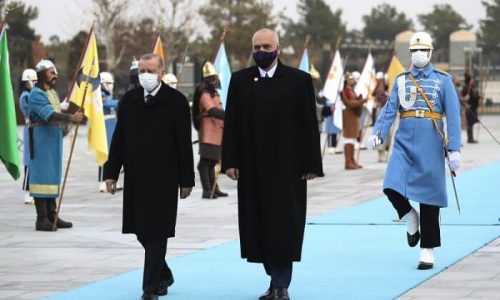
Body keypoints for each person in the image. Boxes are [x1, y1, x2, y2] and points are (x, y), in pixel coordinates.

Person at [221, 28, 323, 300]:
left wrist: (311, 163)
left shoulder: (298, 80)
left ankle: (281, 284)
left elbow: (309, 125)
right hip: (252, 167)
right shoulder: (241, 80)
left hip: (288, 167)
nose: (261, 51)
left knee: (284, 226)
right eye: (256, 47)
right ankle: (273, 279)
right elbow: (231, 125)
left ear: (278, 48)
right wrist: (230, 160)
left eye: (266, 46)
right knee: (259, 226)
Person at [366, 32, 461, 270]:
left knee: (429, 198)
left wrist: (454, 149)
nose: (418, 54)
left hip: (431, 142)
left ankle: (427, 248)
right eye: (414, 51)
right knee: (391, 184)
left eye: (423, 50)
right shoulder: (401, 79)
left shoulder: (443, 80)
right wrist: (378, 132)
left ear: (430, 53)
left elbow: (455, 116)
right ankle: (409, 215)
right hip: (404, 141)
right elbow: (390, 109)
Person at [103, 53, 194, 300]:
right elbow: (119, 139)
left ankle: (150, 288)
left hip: (165, 178)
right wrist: (111, 173)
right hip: (136, 176)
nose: (145, 75)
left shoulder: (175, 101)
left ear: (161, 73)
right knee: (141, 231)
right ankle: (163, 273)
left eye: (150, 70)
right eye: (141, 70)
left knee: (158, 231)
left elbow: (184, 144)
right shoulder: (130, 100)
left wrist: (187, 179)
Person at [28, 59, 84, 231]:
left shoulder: (52, 93)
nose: (56, 75)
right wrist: (70, 118)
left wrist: (67, 126)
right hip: (41, 139)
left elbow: (57, 115)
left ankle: (52, 215)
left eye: (55, 72)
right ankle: (41, 219)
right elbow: (49, 115)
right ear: (42, 73)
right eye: (52, 72)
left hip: (53, 138)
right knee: (42, 177)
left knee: (52, 176)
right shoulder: (36, 94)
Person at [192, 62, 227, 199]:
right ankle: (207, 190)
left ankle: (214, 188)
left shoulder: (213, 91)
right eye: (212, 77)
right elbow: (211, 109)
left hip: (217, 128)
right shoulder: (204, 91)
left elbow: (218, 108)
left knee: (213, 161)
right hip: (208, 129)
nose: (215, 80)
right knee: (206, 161)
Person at [97, 71, 120, 192]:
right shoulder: (99, 94)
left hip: (112, 126)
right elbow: (106, 103)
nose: (110, 86)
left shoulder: (109, 95)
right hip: (104, 127)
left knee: (112, 156)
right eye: (108, 83)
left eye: (111, 83)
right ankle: (101, 181)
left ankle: (111, 178)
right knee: (104, 156)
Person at [19, 68, 37, 205]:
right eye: (34, 81)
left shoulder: (33, 95)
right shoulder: (25, 96)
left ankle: (34, 190)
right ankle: (27, 191)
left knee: (35, 159)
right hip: (29, 128)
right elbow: (30, 111)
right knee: (29, 161)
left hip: (36, 129)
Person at [341, 72, 367, 169]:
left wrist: (359, 99)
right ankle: (348, 162)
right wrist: (361, 101)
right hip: (348, 116)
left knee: (352, 138)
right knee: (348, 139)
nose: (353, 80)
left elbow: (354, 100)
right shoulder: (346, 91)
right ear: (347, 80)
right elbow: (349, 103)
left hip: (353, 116)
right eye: (351, 78)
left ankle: (352, 160)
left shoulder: (350, 90)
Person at [372, 71, 390, 162]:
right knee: (381, 133)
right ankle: (381, 153)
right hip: (382, 113)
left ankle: (383, 152)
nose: (388, 82)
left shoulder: (384, 91)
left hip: (384, 114)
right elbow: (384, 102)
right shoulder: (380, 91)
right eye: (386, 80)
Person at [462, 73, 482, 143]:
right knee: (470, 123)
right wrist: (465, 98)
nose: (473, 80)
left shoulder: (472, 88)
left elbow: (474, 98)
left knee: (472, 123)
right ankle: (470, 138)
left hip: (473, 107)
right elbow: (466, 98)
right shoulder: (466, 88)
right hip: (469, 107)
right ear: (470, 80)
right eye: (472, 79)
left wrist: (480, 97)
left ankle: (471, 138)